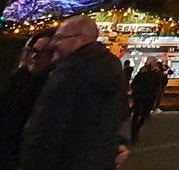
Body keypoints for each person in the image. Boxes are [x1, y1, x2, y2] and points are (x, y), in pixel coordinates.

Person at [17, 15, 127, 170]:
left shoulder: (68, 75)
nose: (53, 45)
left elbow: (43, 135)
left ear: (79, 39)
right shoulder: (110, 70)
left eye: (59, 38)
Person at [0, 34, 53, 170]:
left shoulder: (50, 88)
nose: (35, 57)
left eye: (43, 53)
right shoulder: (18, 79)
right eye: (33, 51)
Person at [129, 59, 165, 143]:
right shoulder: (143, 72)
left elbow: (159, 84)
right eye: (154, 62)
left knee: (142, 116)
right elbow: (134, 83)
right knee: (137, 115)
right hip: (143, 96)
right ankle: (134, 134)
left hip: (146, 97)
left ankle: (135, 132)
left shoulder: (156, 73)